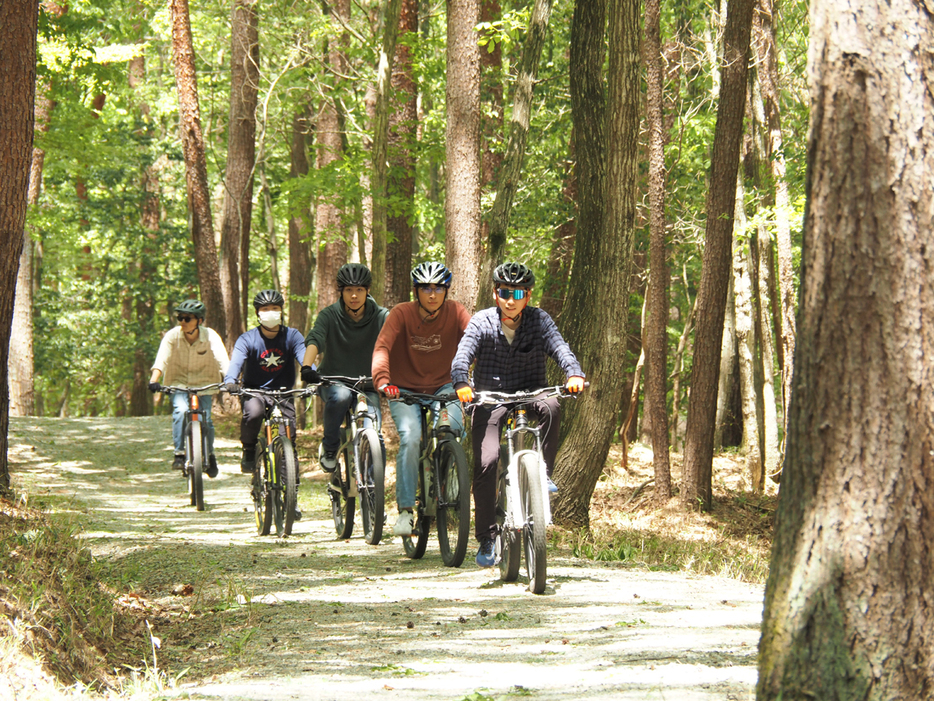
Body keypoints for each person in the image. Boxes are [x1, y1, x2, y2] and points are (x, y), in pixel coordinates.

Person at [450, 262, 585, 567]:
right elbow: (463, 354)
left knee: (552, 406)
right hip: (490, 399)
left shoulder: (539, 320)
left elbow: (560, 348)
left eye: (518, 293)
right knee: (486, 462)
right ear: (495, 293)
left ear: (528, 295)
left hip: (530, 392)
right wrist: (461, 381)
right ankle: (486, 537)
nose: (511, 299)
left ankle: (543, 473)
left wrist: (573, 373)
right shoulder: (482, 322)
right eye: (504, 292)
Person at [372, 262, 471, 536]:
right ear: (416, 291)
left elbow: (476, 339)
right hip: (404, 390)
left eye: (438, 288)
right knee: (411, 436)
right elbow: (382, 346)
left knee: (453, 427)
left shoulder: (456, 311)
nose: (432, 294)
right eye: (426, 288)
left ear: (446, 291)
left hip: (444, 385)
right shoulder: (401, 313)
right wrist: (383, 380)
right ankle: (405, 511)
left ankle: (449, 474)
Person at [300, 263, 388, 472]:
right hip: (334, 381)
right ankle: (330, 446)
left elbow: (395, 341)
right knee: (341, 397)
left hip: (367, 384)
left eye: (359, 290)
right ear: (341, 291)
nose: (354, 296)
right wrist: (306, 366)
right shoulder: (329, 315)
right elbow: (316, 339)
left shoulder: (382, 316)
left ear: (367, 291)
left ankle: (372, 484)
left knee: (374, 428)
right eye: (349, 290)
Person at [225, 290, 307, 478]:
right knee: (254, 414)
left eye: (275, 308)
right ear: (258, 313)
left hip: (284, 393)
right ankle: (249, 449)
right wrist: (230, 382)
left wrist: (313, 373)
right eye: (265, 308)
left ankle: (290, 495)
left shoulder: (292, 336)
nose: (270, 312)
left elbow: (305, 358)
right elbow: (235, 363)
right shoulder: (247, 339)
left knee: (288, 437)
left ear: (281, 311)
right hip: (255, 391)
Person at [149, 299, 229, 477]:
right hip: (178, 383)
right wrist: (154, 380)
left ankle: (210, 454)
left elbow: (222, 359)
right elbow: (161, 360)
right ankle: (179, 454)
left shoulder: (210, 336)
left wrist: (231, 380)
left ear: (199, 321)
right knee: (181, 410)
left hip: (205, 383)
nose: (182, 322)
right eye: (180, 318)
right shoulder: (172, 336)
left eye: (187, 318)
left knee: (207, 419)